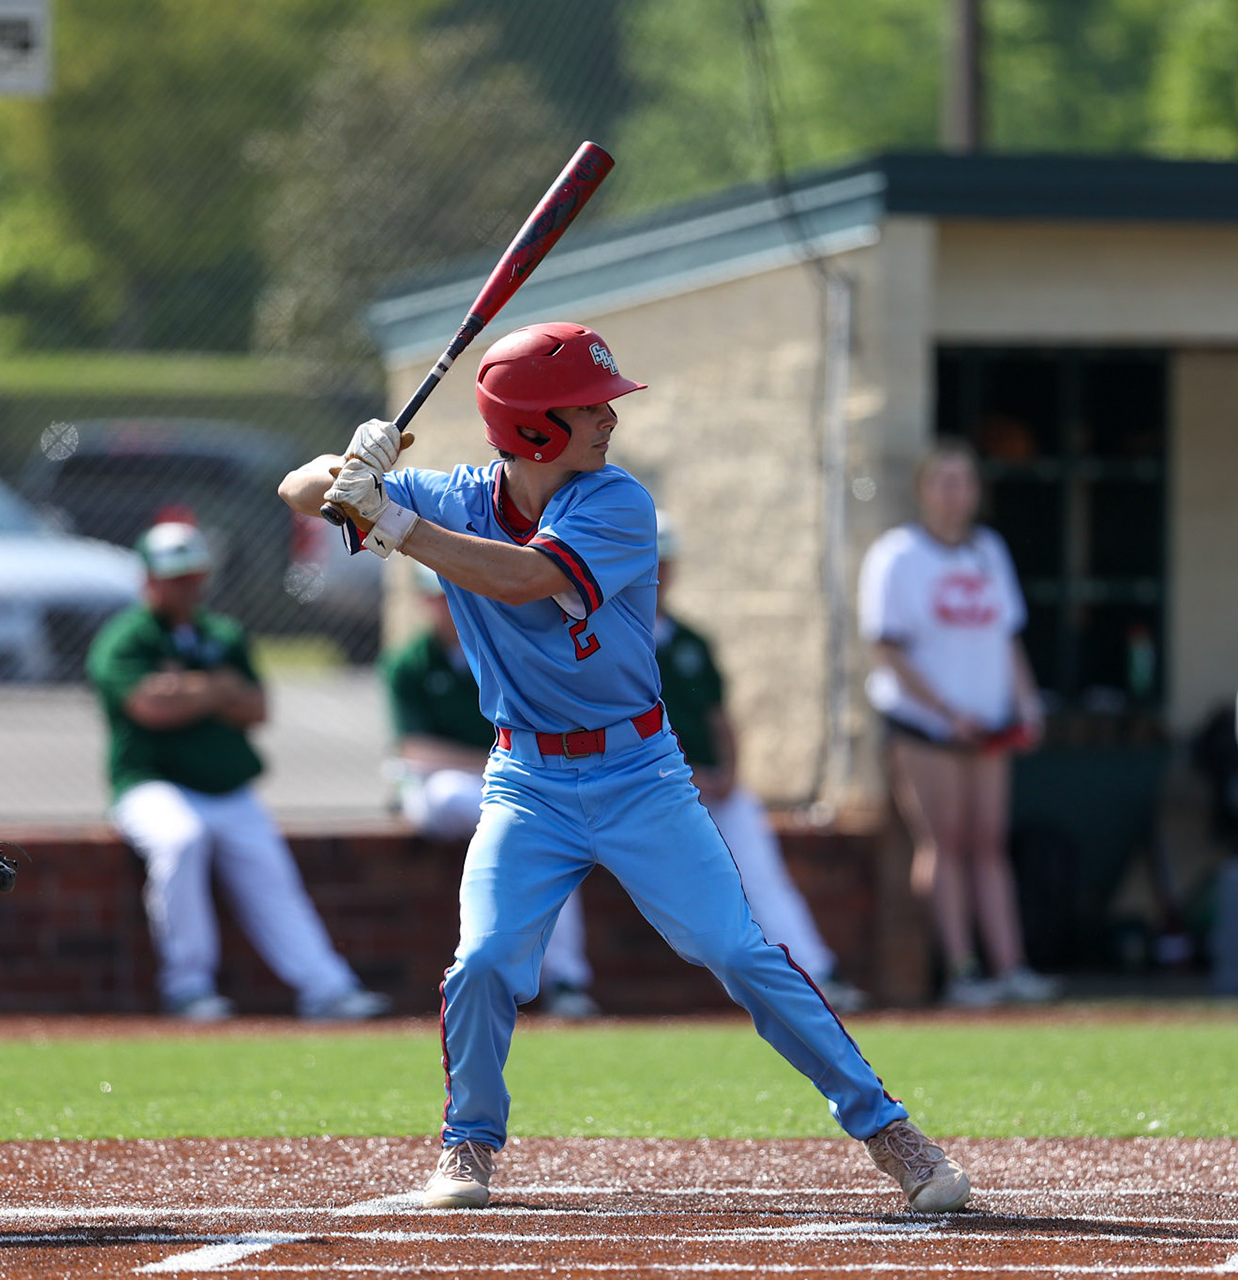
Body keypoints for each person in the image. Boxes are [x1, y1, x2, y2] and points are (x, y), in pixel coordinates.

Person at [281, 320, 971, 1216]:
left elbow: (524, 580)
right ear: (531, 427)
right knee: (484, 961)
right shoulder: (447, 496)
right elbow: (299, 491)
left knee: (738, 951)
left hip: (638, 774)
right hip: (526, 781)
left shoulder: (614, 503)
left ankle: (891, 1135)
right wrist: (349, 469)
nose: (610, 419)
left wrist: (390, 519)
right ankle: (467, 1149)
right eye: (589, 407)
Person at [87, 521, 390, 1023]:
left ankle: (328, 989)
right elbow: (148, 707)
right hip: (150, 785)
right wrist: (217, 690)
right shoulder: (127, 638)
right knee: (181, 841)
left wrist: (186, 689)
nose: (186, 586)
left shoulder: (221, 633)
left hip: (229, 789)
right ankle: (188, 987)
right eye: (173, 576)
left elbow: (255, 708)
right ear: (148, 580)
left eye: (192, 575)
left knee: (274, 876)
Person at [857, 440, 1057, 1009]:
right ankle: (962, 971)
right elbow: (886, 648)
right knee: (943, 841)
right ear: (923, 489)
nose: (954, 493)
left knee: (988, 843)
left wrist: (1026, 703)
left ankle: (1012, 968)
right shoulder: (897, 555)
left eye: (964, 481)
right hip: (927, 729)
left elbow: (1006, 637)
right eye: (943, 481)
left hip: (989, 728)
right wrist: (947, 713)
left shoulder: (988, 551)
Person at [652, 516, 871, 1012]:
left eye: (666, 562)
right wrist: (686, 778)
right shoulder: (607, 636)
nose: (659, 573)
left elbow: (719, 717)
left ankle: (816, 973)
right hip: (648, 794)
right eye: (650, 562)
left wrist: (729, 771)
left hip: (709, 791)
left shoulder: (691, 641)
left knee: (760, 867)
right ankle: (563, 986)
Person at [382, 564, 600, 1018]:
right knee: (464, 798)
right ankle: (499, 976)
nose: (449, 606)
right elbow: (415, 749)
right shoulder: (411, 661)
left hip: (502, 783)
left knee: (545, 833)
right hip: (437, 790)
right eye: (439, 597)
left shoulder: (499, 651)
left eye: (455, 594)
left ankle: (565, 979)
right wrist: (495, 760)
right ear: (426, 603)